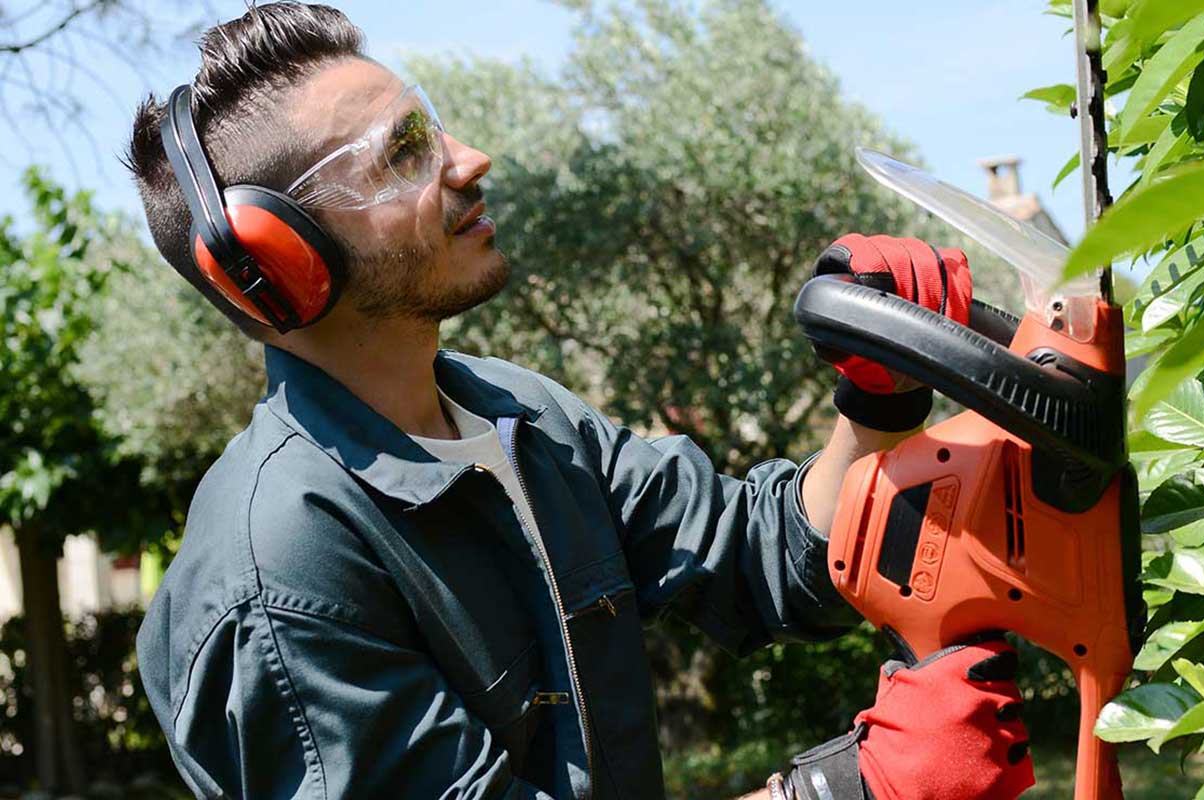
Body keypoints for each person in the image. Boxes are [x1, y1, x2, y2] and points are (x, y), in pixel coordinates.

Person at [126, 4, 1034, 798]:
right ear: (281, 257)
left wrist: (876, 397)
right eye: (403, 151)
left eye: (431, 127)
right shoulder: (280, 578)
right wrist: (845, 793)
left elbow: (756, 556)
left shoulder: (517, 418)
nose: (470, 161)